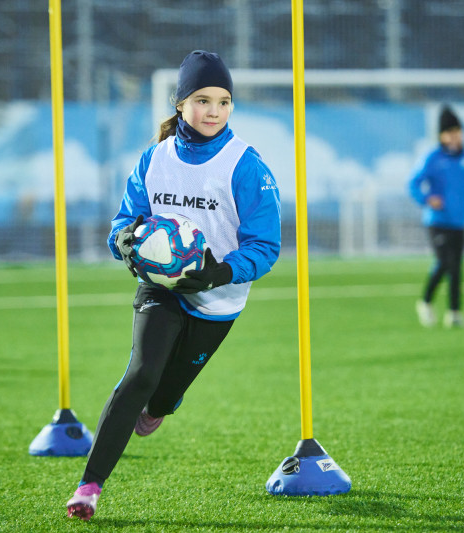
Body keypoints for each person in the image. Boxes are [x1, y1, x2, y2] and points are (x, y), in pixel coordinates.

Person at [66, 50, 281, 520]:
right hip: (159, 289)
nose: (214, 111)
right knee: (140, 375)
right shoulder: (154, 158)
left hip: (218, 299)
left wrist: (220, 272)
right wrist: (125, 243)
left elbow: (266, 245)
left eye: (223, 102)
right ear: (180, 103)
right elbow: (124, 222)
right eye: (203, 100)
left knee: (163, 397)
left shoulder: (246, 166)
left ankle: (166, 401)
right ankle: (89, 486)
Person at [408, 105, 464, 328]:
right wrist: (428, 198)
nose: (455, 137)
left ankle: (454, 313)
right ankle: (426, 302)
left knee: (457, 267)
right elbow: (413, 184)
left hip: (459, 221)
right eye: (450, 132)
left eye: (458, 132)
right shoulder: (432, 158)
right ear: (441, 135)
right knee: (444, 261)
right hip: (437, 221)